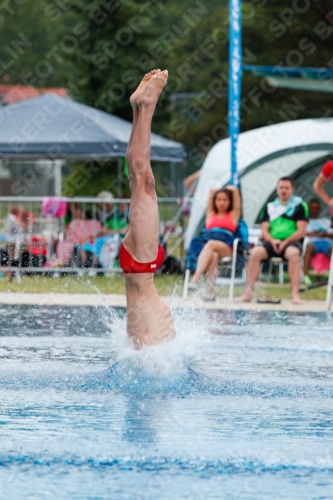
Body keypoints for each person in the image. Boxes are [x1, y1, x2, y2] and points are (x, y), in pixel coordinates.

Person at [119, 69, 176, 348]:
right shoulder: (144, 347)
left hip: (141, 267)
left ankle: (145, 107)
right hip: (140, 266)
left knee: (142, 181)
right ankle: (141, 107)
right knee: (142, 181)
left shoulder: (143, 348)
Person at [236, 177, 308, 305]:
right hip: (272, 241)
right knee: (255, 253)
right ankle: (247, 292)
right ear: (277, 189)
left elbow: (301, 231)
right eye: (281, 188)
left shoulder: (300, 206)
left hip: (291, 242)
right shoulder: (269, 207)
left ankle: (295, 294)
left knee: (293, 254)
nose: (283, 190)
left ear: (292, 189)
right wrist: (273, 240)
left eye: (286, 188)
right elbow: (264, 231)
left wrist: (285, 242)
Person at [187, 186, 241, 300]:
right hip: (208, 246)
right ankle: (210, 292)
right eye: (219, 199)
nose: (221, 202)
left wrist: (226, 187)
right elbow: (211, 196)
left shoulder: (233, 215)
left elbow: (235, 192)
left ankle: (195, 278)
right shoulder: (211, 214)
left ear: (230, 201)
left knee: (212, 244)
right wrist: (212, 193)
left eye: (225, 200)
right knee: (213, 255)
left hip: (227, 248)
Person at [303, 198, 333, 285]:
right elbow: (301, 234)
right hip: (312, 243)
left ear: (319, 209)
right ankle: (305, 276)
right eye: (312, 208)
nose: (314, 210)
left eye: (316, 208)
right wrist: (313, 234)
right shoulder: (304, 222)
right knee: (309, 248)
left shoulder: (326, 221)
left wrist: (325, 234)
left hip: (327, 243)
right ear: (309, 209)